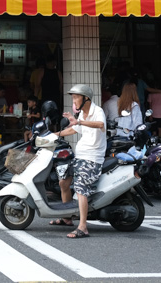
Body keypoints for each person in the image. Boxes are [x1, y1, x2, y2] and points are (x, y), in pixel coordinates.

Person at [49, 84, 106, 239]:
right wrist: (54, 135)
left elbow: (100, 125)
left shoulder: (97, 111)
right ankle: (67, 218)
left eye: (76, 97)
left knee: (80, 189)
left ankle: (83, 227)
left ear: (86, 98)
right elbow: (73, 130)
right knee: (63, 183)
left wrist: (79, 122)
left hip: (92, 158)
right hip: (80, 156)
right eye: (73, 97)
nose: (73, 101)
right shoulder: (81, 115)